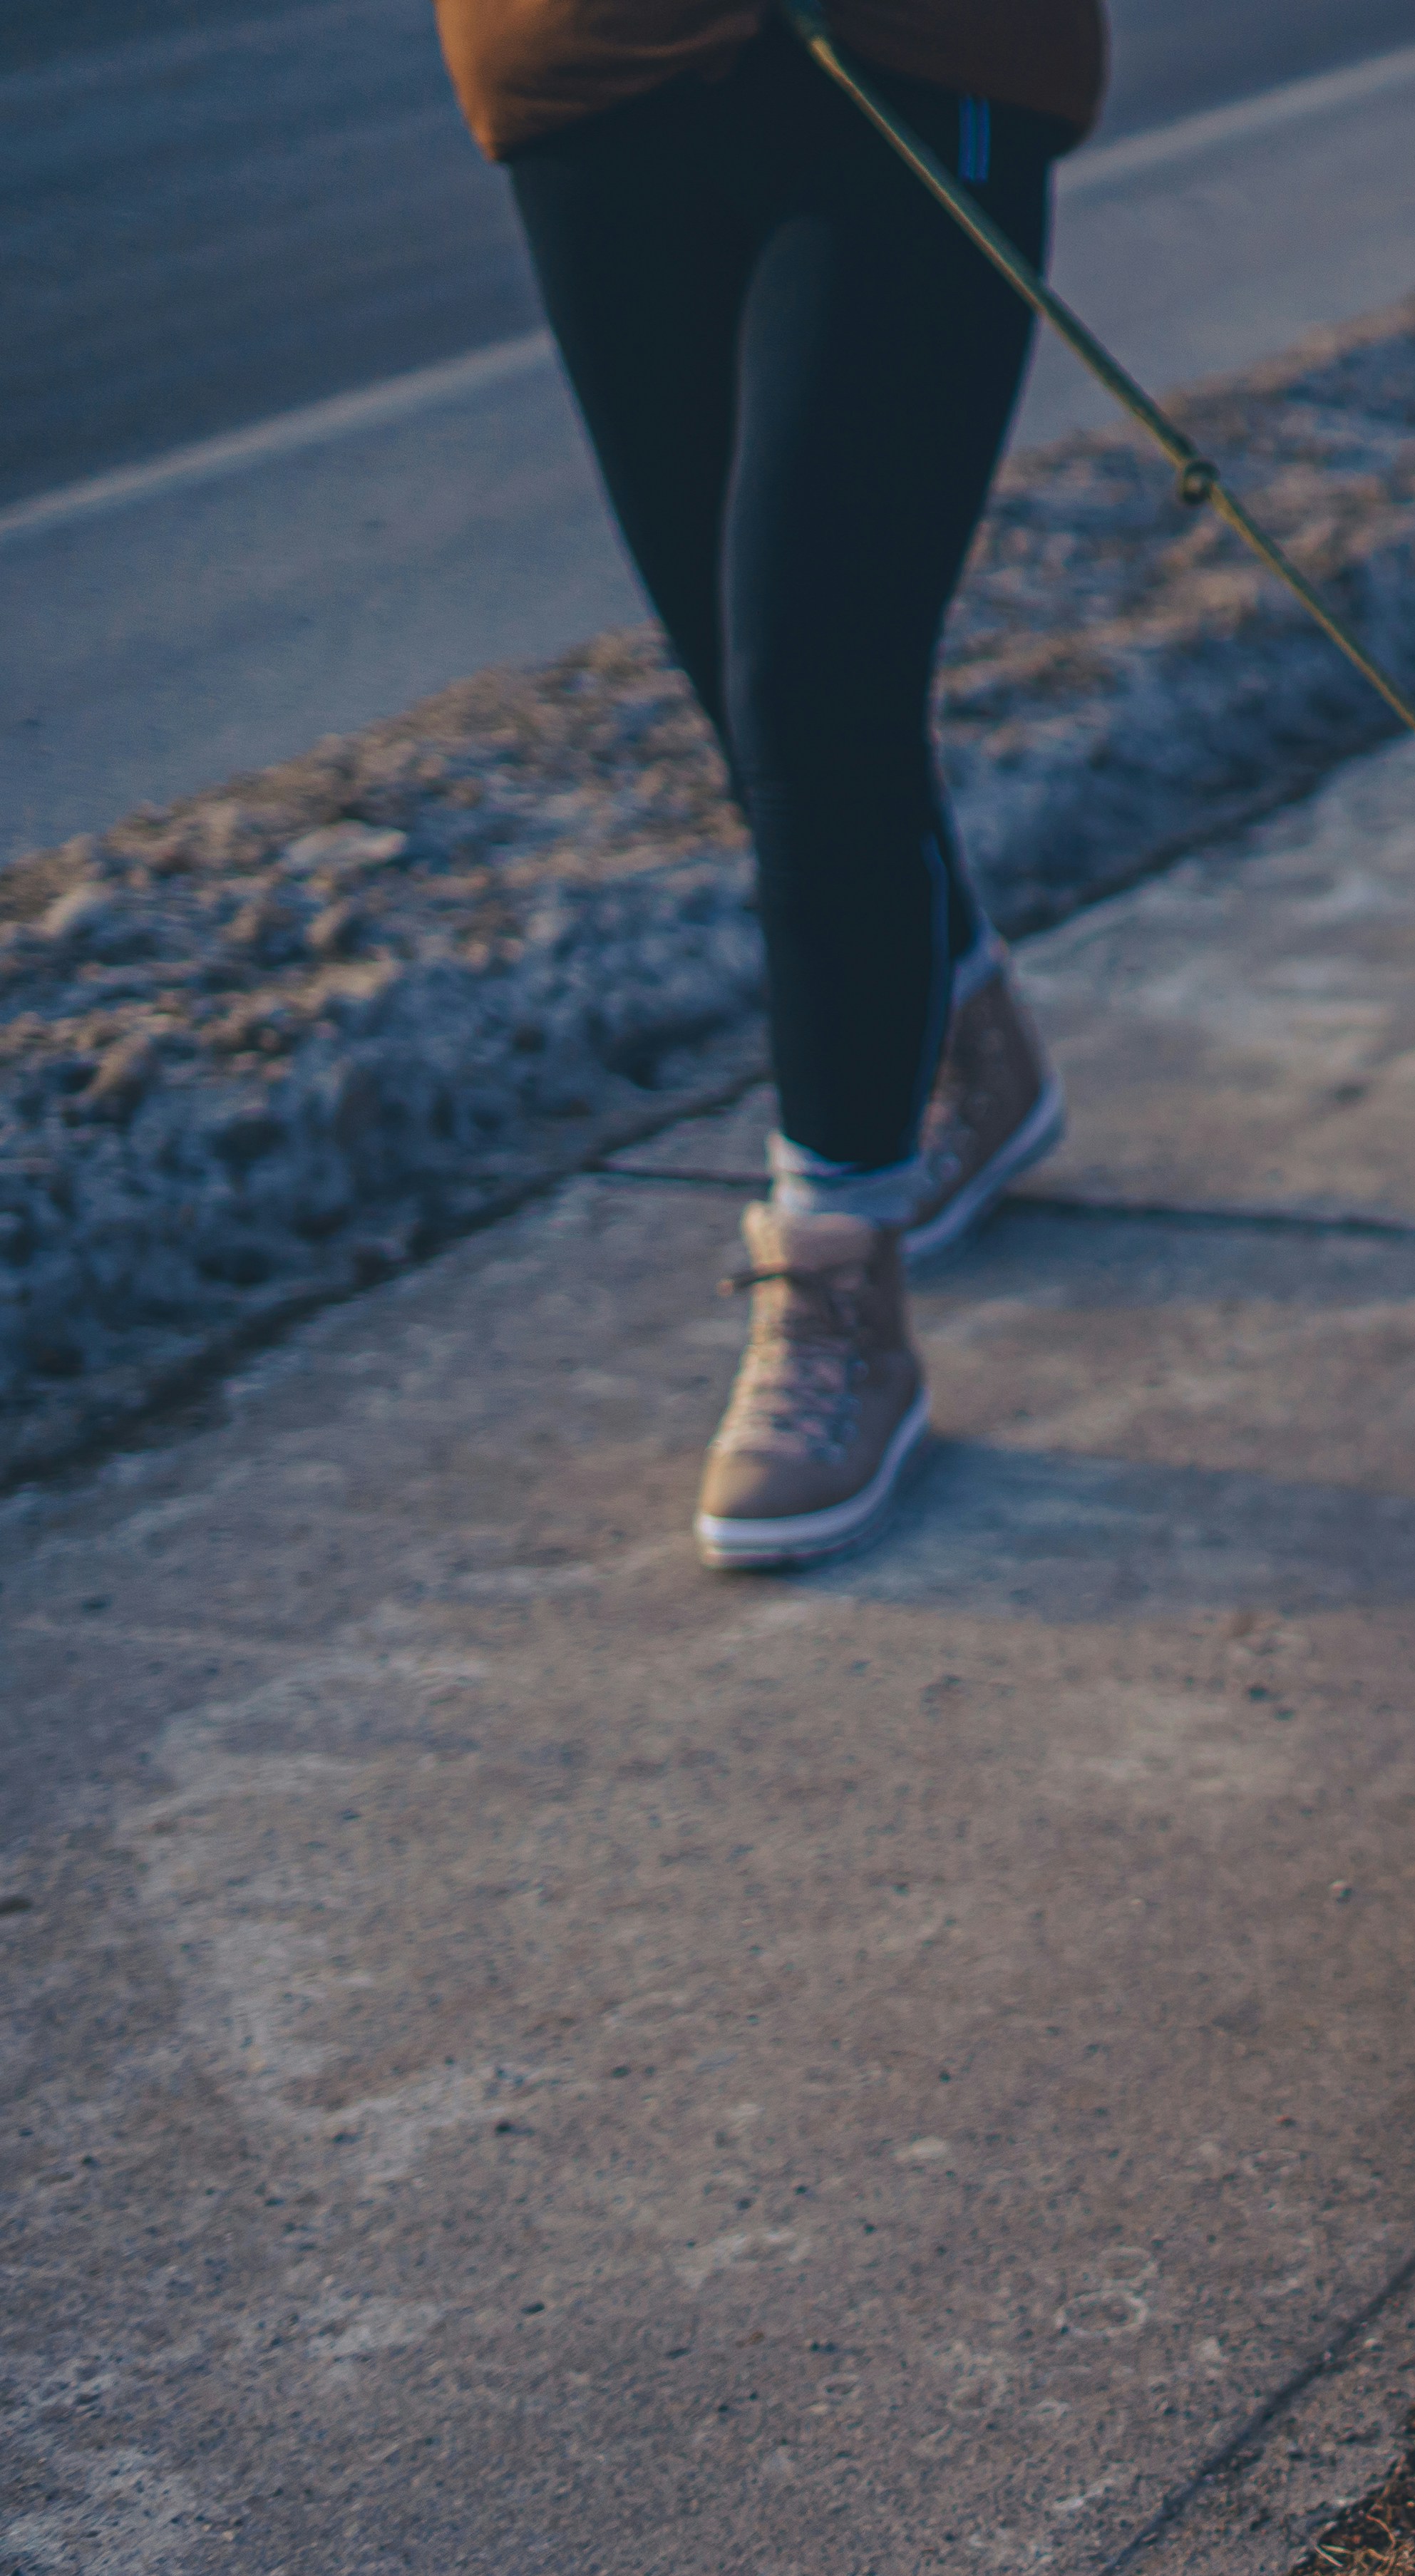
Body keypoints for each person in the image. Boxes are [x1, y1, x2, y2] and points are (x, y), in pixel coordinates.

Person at [433, 0, 1106, 1570]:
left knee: (817, 672)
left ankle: (835, 1282)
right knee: (757, 689)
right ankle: (967, 1046)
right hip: (584, 66)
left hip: (917, 52)